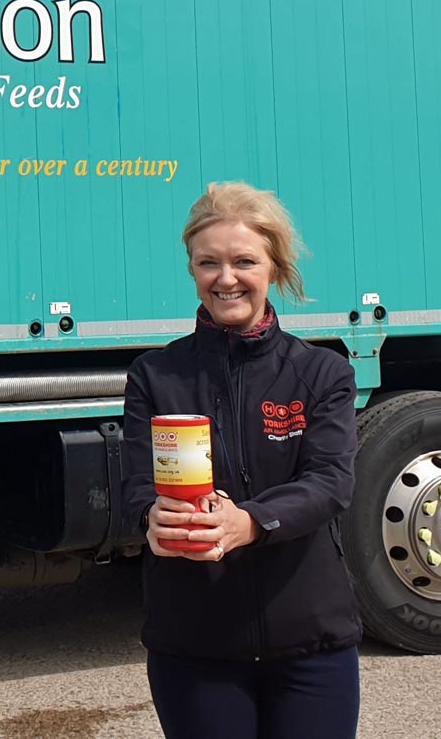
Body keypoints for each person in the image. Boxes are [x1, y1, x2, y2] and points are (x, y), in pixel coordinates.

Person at [119, 180, 362, 738]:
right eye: (209, 263)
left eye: (244, 261)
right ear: (192, 269)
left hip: (311, 643)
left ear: (273, 267)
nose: (226, 278)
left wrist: (248, 522)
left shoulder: (323, 373)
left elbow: (330, 482)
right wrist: (147, 519)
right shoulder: (155, 376)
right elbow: (136, 487)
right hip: (195, 645)